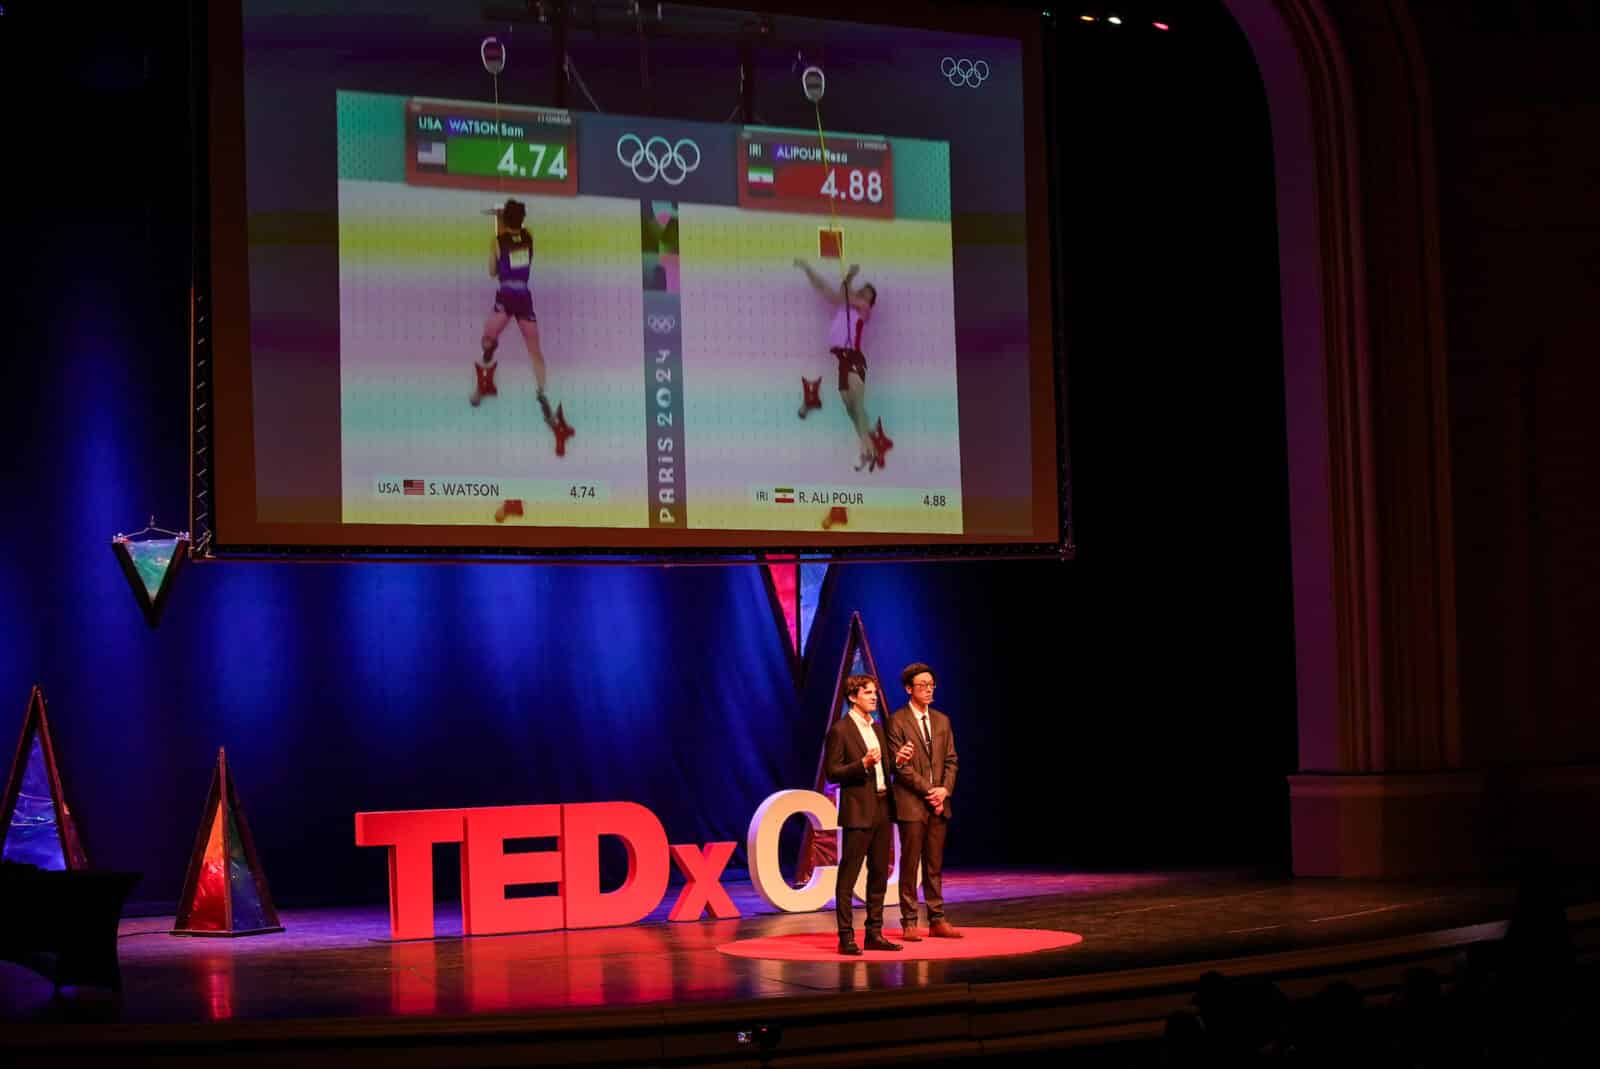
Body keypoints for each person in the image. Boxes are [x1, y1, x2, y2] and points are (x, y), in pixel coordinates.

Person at [824, 674, 911, 955]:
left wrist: (897, 760)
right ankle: (845, 936)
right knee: (849, 874)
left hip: (883, 807)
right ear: (853, 697)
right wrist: (861, 763)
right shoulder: (840, 730)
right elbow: (832, 772)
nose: (873, 697)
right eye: (867, 693)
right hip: (859, 810)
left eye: (874, 692)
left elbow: (883, 769)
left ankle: (874, 933)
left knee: (878, 873)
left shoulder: (877, 728)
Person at [470, 199, 560, 440]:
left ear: (503, 219)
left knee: (488, 338)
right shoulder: (529, 237)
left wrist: (497, 244)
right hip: (524, 300)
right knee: (535, 350)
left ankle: (486, 375)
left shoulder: (497, 242)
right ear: (522, 220)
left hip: (505, 300)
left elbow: (492, 272)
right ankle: (542, 393)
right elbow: (516, 244)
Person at [794, 259, 891, 471]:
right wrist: (808, 269)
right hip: (842, 361)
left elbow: (843, 293)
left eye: (867, 294)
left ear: (869, 302)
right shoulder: (844, 308)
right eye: (862, 291)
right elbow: (830, 292)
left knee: (857, 405)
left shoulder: (863, 309)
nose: (863, 295)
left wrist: (850, 276)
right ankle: (867, 449)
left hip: (854, 358)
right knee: (851, 409)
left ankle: (869, 451)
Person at [886, 662, 960, 940]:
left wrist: (944, 791)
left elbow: (952, 760)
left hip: (940, 802)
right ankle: (908, 920)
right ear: (909, 689)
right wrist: (931, 791)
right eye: (922, 685)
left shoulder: (942, 720)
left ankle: (937, 918)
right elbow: (900, 768)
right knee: (910, 863)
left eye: (931, 685)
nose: (929, 690)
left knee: (934, 864)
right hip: (912, 803)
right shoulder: (897, 721)